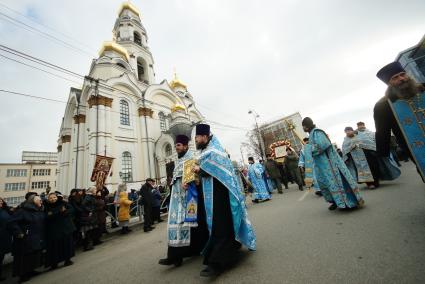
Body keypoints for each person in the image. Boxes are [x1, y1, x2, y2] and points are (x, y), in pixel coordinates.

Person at [193, 124, 256, 277]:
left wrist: (199, 170)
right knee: (216, 226)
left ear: (205, 137)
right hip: (210, 195)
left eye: (197, 137)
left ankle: (218, 263)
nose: (195, 140)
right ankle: (220, 254)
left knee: (221, 225)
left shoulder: (215, 151)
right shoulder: (205, 152)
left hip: (220, 195)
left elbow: (215, 168)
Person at [159, 134, 209, 267]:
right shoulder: (179, 161)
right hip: (177, 201)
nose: (176, 148)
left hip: (188, 200)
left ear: (186, 146)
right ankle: (176, 256)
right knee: (177, 227)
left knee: (188, 226)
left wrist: (191, 181)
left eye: (179, 145)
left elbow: (198, 178)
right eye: (175, 146)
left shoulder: (191, 158)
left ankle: (178, 256)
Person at [374, 61, 425, 182]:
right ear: (389, 83)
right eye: (395, 77)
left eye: (403, 74)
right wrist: (382, 154)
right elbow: (382, 132)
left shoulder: (423, 88)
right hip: (415, 147)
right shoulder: (384, 106)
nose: (402, 79)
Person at [302, 117, 365, 210]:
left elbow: (322, 145)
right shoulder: (311, 134)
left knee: (336, 182)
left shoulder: (317, 132)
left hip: (329, 163)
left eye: (303, 126)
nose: (303, 128)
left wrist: (308, 148)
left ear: (306, 126)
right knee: (323, 183)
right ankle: (335, 201)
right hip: (320, 164)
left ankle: (347, 202)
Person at [9, 195, 45, 282]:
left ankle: (30, 271)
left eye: (41, 200)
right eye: (39, 200)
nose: (41, 201)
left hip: (35, 236)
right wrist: (19, 233)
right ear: (32, 201)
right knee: (24, 257)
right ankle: (22, 275)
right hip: (25, 237)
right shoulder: (22, 211)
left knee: (32, 255)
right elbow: (11, 222)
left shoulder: (38, 210)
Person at [44, 192, 75, 270]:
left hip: (65, 227)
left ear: (57, 197)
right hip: (54, 230)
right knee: (54, 247)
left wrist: (63, 212)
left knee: (66, 244)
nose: (53, 199)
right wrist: (58, 212)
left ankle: (67, 260)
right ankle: (54, 263)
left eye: (54, 197)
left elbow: (71, 210)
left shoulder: (63, 203)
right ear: (48, 199)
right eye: (50, 198)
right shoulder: (46, 206)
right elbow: (47, 216)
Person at [80, 187, 98, 251]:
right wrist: (89, 211)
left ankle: (89, 245)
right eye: (95, 190)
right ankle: (87, 246)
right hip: (88, 217)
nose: (96, 191)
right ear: (92, 191)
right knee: (88, 231)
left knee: (90, 231)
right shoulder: (88, 197)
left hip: (91, 216)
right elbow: (83, 205)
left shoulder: (91, 196)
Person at [0, 197, 12, 282]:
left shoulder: (5, 210)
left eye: (1, 200)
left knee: (1, 256)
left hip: (5, 236)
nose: (0, 202)